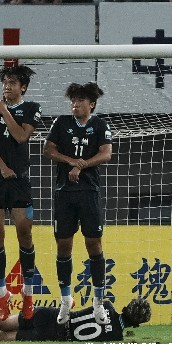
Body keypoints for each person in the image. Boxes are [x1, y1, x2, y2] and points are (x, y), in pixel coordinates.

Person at [43, 82, 113, 325]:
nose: (75, 104)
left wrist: (82, 165)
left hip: (89, 192)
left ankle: (98, 303)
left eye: (80, 100)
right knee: (64, 246)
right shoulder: (61, 123)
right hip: (64, 192)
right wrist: (71, 161)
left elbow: (106, 153)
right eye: (72, 100)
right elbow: (48, 150)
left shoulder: (100, 125)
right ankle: (65, 300)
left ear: (91, 104)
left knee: (94, 244)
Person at [0, 65, 41, 321]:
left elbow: (20, 137)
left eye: (13, 83)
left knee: (24, 233)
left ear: (23, 87)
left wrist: (5, 112)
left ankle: (28, 294)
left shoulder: (31, 108)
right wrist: (2, 167)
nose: (7, 87)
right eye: (5, 82)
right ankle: (2, 296)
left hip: (19, 179)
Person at [0, 297, 151, 342]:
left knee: (2, 322)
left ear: (125, 307)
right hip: (53, 334)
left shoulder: (107, 305)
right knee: (3, 337)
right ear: (137, 324)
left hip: (52, 315)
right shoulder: (115, 338)